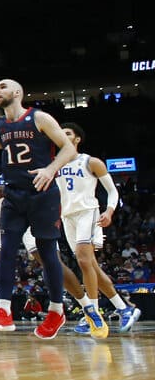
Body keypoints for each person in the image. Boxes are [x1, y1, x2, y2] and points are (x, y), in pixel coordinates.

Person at [0, 79, 78, 340]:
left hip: (43, 195)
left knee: (48, 254)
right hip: (13, 196)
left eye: (2, 87)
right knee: (7, 251)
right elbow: (0, 164)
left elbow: (68, 148)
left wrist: (50, 169)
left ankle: (56, 311)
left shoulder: (39, 118)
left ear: (17, 92)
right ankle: (3, 311)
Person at [55, 123, 141, 335]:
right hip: (67, 217)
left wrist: (109, 212)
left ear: (77, 139)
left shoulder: (90, 162)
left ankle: (92, 314)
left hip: (88, 212)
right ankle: (124, 309)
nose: (62, 136)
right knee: (89, 265)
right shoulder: (55, 165)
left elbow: (112, 191)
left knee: (84, 261)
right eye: (60, 133)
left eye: (67, 133)